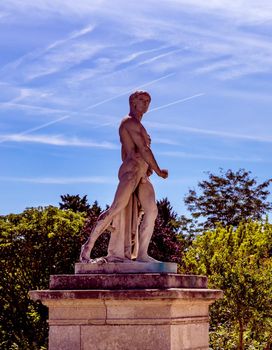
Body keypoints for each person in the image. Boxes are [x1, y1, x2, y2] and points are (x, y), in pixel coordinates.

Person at [80, 91, 168, 263]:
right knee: (116, 208)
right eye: (142, 100)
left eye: (148, 101)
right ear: (133, 102)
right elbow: (143, 149)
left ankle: (142, 254)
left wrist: (149, 168)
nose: (146, 104)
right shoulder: (128, 122)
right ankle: (87, 248)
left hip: (142, 174)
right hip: (131, 170)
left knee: (152, 210)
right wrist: (158, 170)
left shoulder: (139, 125)